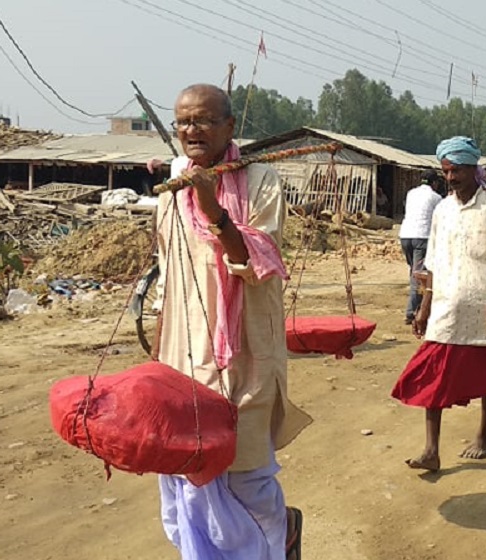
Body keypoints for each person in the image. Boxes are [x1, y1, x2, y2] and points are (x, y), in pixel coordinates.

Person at [154, 84, 310, 560]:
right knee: (186, 471)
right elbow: (170, 272)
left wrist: (215, 212)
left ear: (229, 127)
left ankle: (275, 541)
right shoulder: (171, 187)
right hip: (183, 353)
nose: (191, 131)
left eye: (203, 121)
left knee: (245, 474)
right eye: (183, 122)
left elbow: (255, 259)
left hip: (245, 351)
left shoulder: (261, 181)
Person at [392, 135, 486, 472]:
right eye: (447, 172)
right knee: (432, 375)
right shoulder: (442, 209)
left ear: (473, 169)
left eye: (456, 171)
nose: (451, 178)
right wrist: (424, 308)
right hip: (445, 308)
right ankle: (431, 450)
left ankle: (484, 434)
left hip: (484, 310)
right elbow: (433, 264)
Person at [399, 170, 444, 325]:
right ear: (435, 183)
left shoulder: (411, 193)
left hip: (405, 235)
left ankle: (419, 305)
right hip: (422, 237)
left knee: (414, 272)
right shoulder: (436, 197)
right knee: (417, 276)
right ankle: (411, 313)